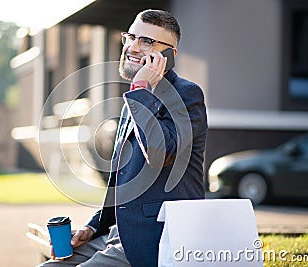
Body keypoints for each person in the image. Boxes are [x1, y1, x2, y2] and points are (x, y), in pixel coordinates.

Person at [38, 9, 207, 267]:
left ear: (169, 55)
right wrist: (92, 228)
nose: (133, 47)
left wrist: (141, 88)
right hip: (117, 235)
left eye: (147, 42)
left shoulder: (186, 95)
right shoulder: (133, 101)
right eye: (131, 37)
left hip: (155, 240)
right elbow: (122, 186)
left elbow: (160, 154)